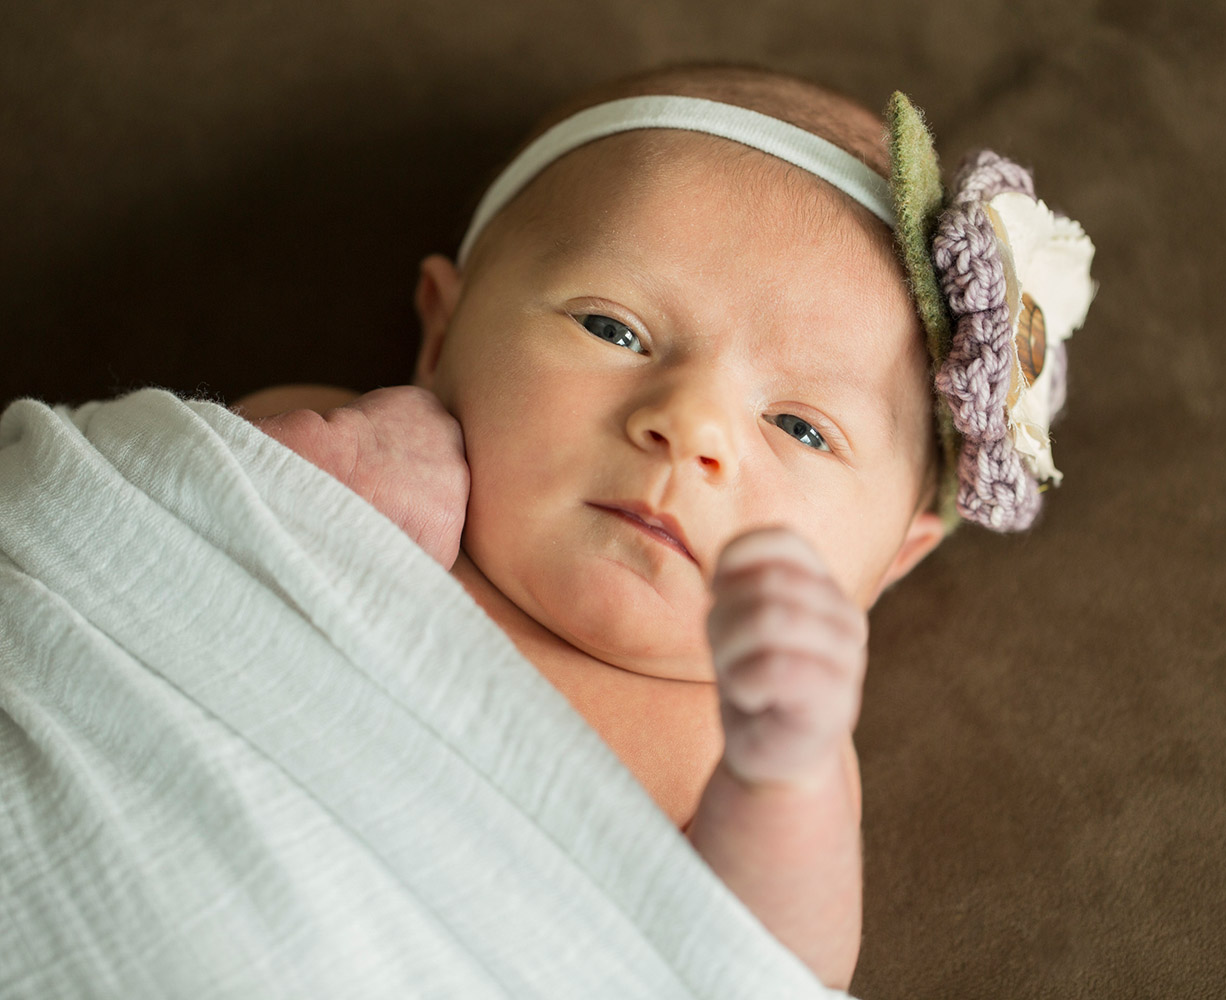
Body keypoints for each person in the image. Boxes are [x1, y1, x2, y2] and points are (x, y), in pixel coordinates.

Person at [232, 62, 1096, 990]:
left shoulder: (751, 749)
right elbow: (146, 537)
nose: (690, 427)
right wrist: (308, 479)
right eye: (612, 329)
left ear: (893, 561)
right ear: (442, 335)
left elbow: (762, 972)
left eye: (802, 428)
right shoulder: (337, 445)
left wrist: (782, 778)